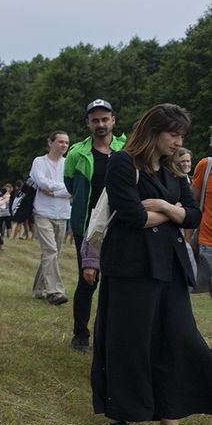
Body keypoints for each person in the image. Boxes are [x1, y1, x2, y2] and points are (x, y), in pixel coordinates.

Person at [91, 104, 212, 425]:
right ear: (154, 131)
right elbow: (129, 216)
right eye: (173, 135)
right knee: (128, 343)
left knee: (180, 341)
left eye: (182, 137)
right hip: (130, 266)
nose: (178, 142)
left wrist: (161, 205)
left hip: (169, 266)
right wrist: (172, 213)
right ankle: (120, 418)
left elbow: (193, 214)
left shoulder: (174, 169)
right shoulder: (123, 163)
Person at [65, 99, 126, 353]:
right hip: (88, 224)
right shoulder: (77, 153)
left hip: (122, 222)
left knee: (120, 279)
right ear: (88, 123)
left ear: (113, 120)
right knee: (88, 279)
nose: (100, 124)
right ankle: (81, 335)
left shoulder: (127, 149)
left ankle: (114, 335)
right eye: (95, 120)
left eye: (105, 119)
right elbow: (70, 184)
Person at [29, 130, 72, 305]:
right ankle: (55, 291)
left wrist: (54, 192)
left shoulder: (69, 163)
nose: (64, 145)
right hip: (42, 212)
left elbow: (73, 187)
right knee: (50, 251)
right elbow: (41, 182)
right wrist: (63, 190)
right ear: (50, 143)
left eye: (66, 143)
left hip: (62, 213)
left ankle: (38, 290)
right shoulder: (39, 162)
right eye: (61, 142)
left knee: (53, 253)